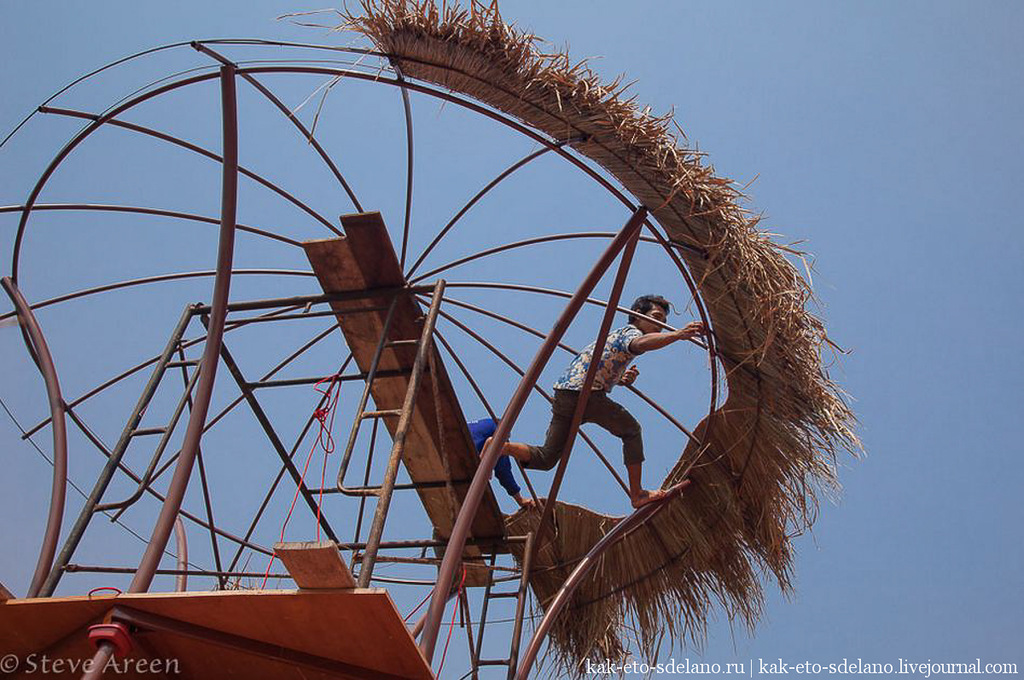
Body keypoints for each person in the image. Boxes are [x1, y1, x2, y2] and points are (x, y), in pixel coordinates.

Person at [494, 294, 706, 508]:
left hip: (565, 394)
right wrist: (678, 334)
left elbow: (602, 363)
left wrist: (620, 378)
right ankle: (637, 494)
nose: (660, 326)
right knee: (631, 430)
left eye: (664, 322)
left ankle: (501, 447)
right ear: (638, 315)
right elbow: (639, 344)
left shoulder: (615, 337)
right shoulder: (631, 332)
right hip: (585, 394)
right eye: (656, 317)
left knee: (547, 458)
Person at [467, 417, 533, 508]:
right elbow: (503, 470)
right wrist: (519, 499)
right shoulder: (499, 430)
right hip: (468, 463)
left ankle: (484, 464)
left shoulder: (480, 425)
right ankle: (483, 465)